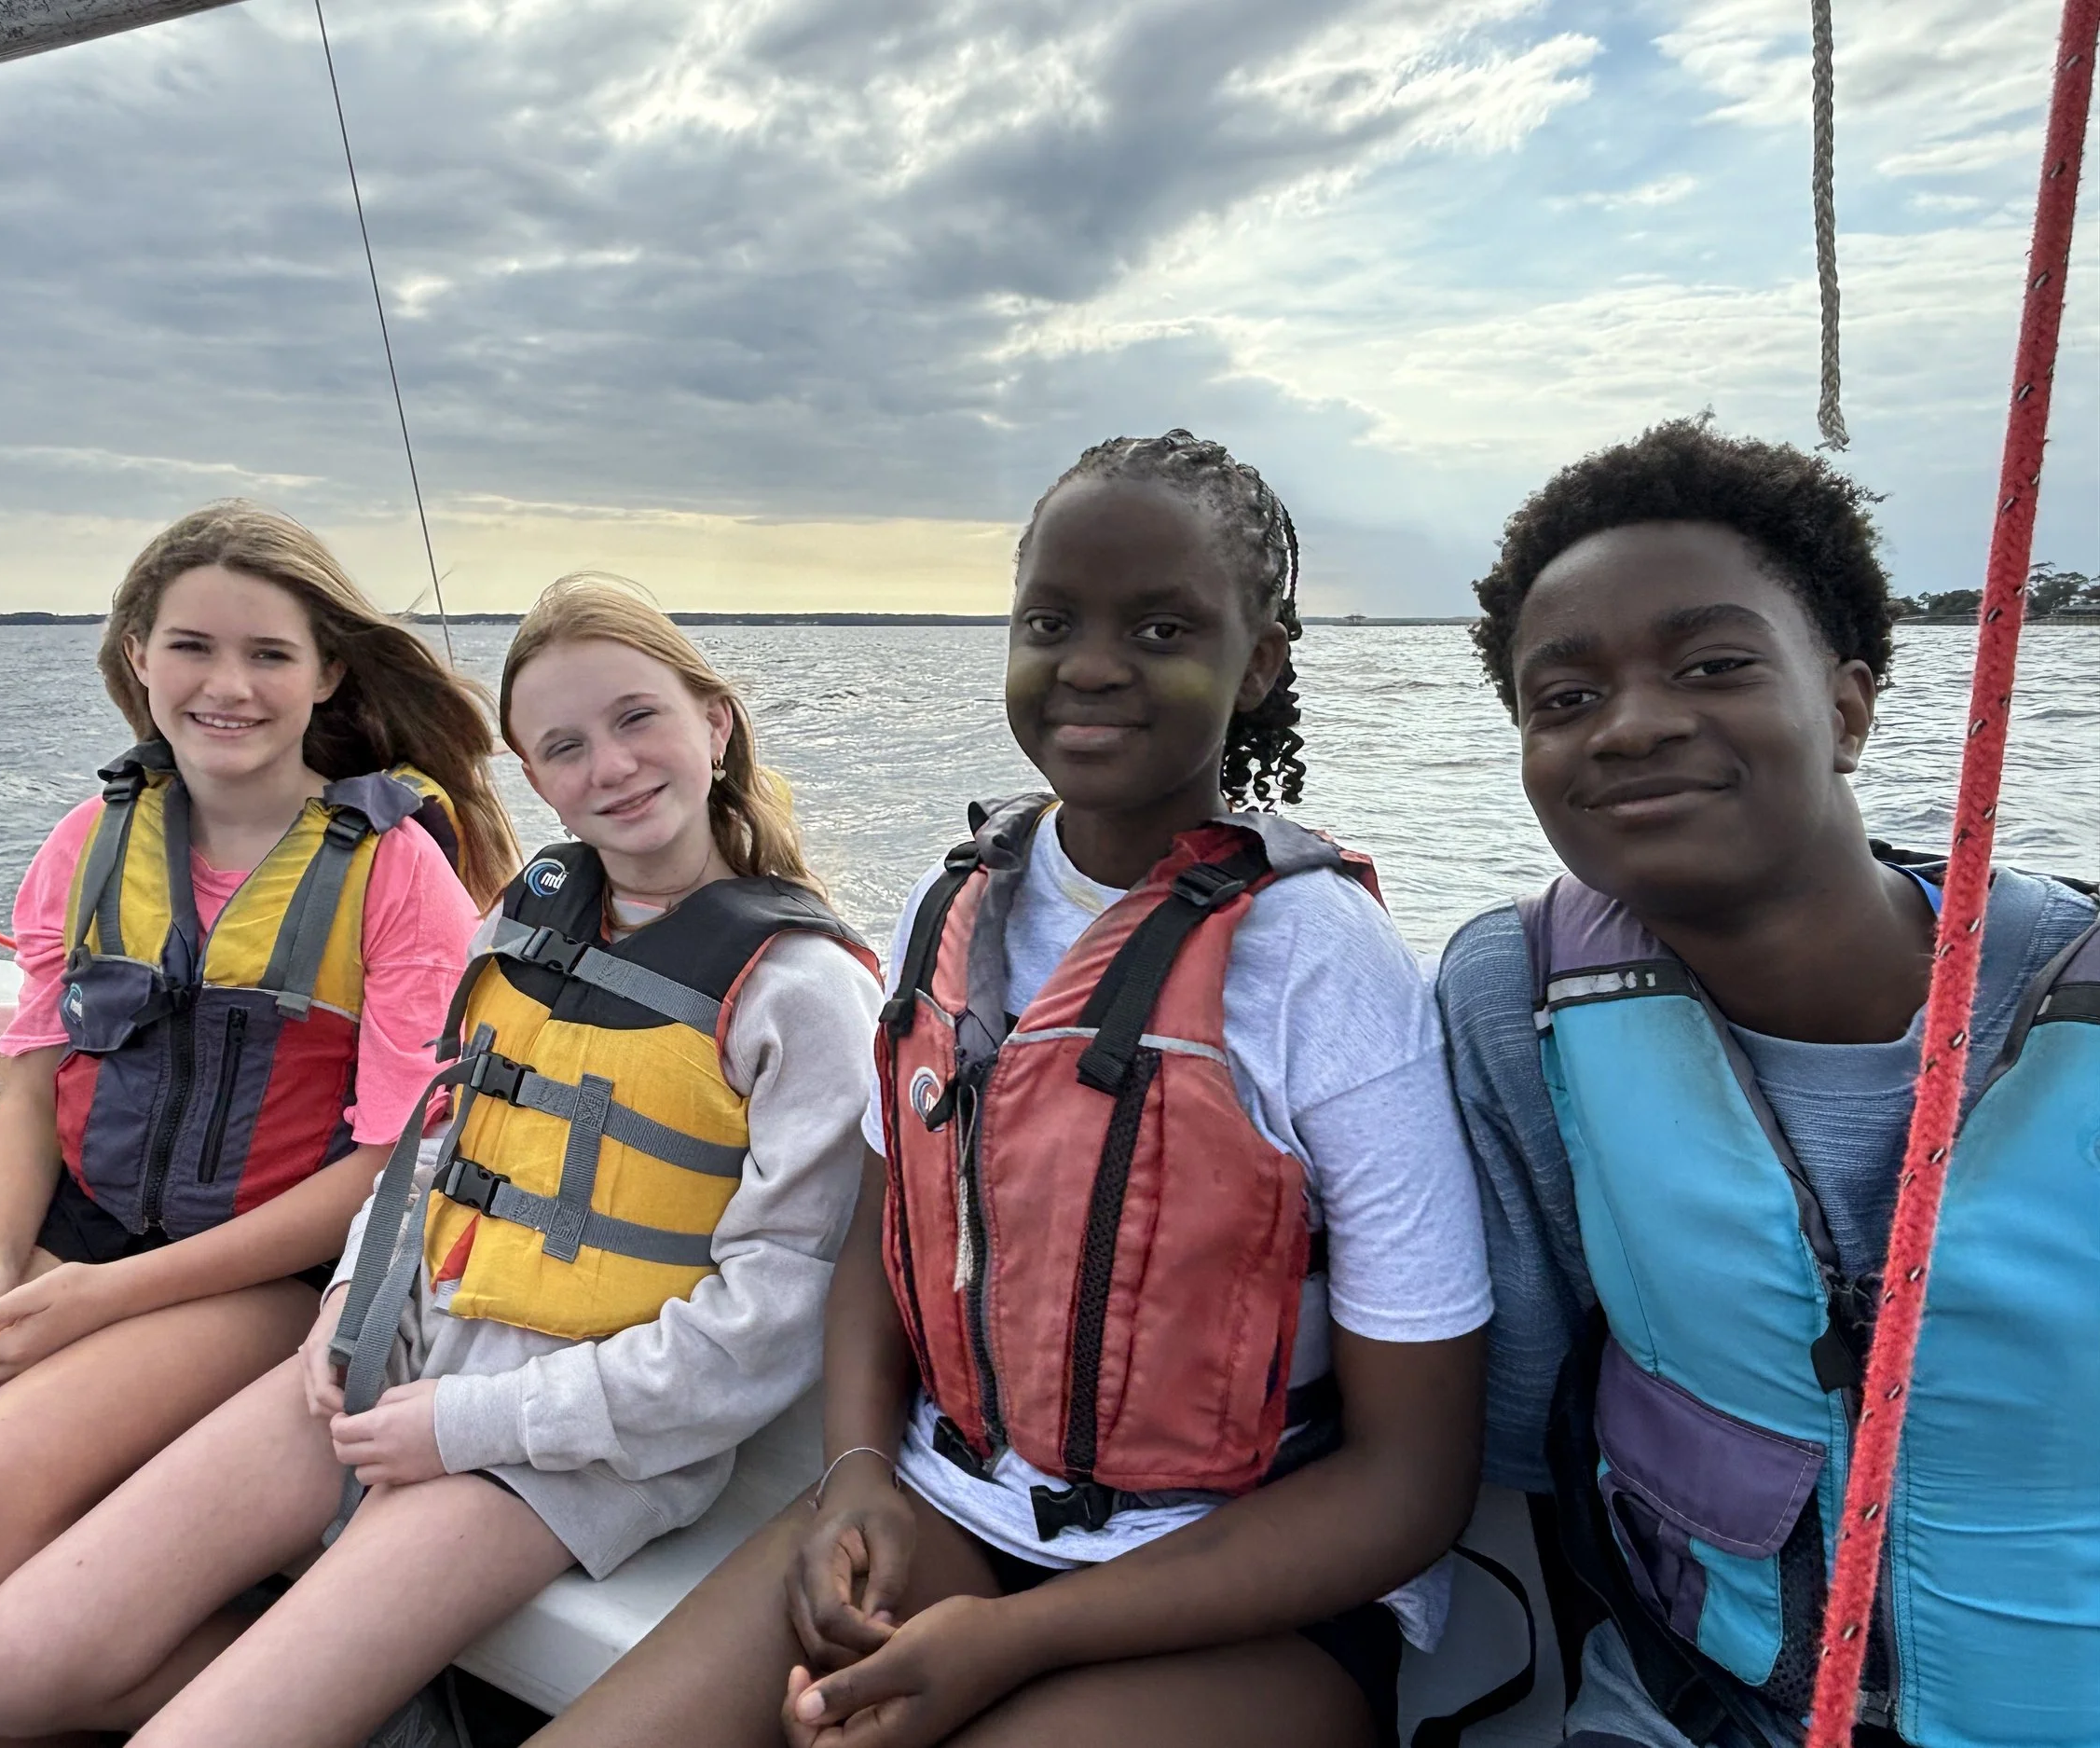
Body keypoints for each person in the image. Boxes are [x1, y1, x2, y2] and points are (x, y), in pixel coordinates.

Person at [532, 430, 1494, 1748]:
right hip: (950, 1507)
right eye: (1051, 619)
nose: (1092, 662)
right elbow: (885, 1239)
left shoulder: (1327, 969)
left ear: (1259, 659)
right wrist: (860, 1471)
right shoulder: (957, 908)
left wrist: (1015, 1640)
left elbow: (1412, 1479)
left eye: (1162, 626)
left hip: (1253, 1600)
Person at [0, 574, 885, 1748]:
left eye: (638, 717)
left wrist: (468, 1427)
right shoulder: (521, 923)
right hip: (393, 1348)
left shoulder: (807, 994)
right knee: (6, 1669)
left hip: (575, 1443)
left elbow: (764, 1335)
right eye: (564, 744)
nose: (612, 764)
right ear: (532, 779)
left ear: (715, 720)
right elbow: (428, 1152)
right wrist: (348, 1302)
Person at [0, 502, 517, 1748]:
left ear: (327, 671)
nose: (228, 684)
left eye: (269, 653)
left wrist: (96, 1303)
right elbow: (35, 1073)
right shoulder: (91, 839)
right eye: (191, 646)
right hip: (70, 1234)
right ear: (135, 655)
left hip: (265, 1276)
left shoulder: (395, 873)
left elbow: (384, 1173)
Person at [1435, 419, 2100, 1748]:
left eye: (1714, 663)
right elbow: (1525, 1404)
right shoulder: (1514, 995)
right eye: (1562, 698)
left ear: (1849, 702)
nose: (1631, 724)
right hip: (1693, 1705)